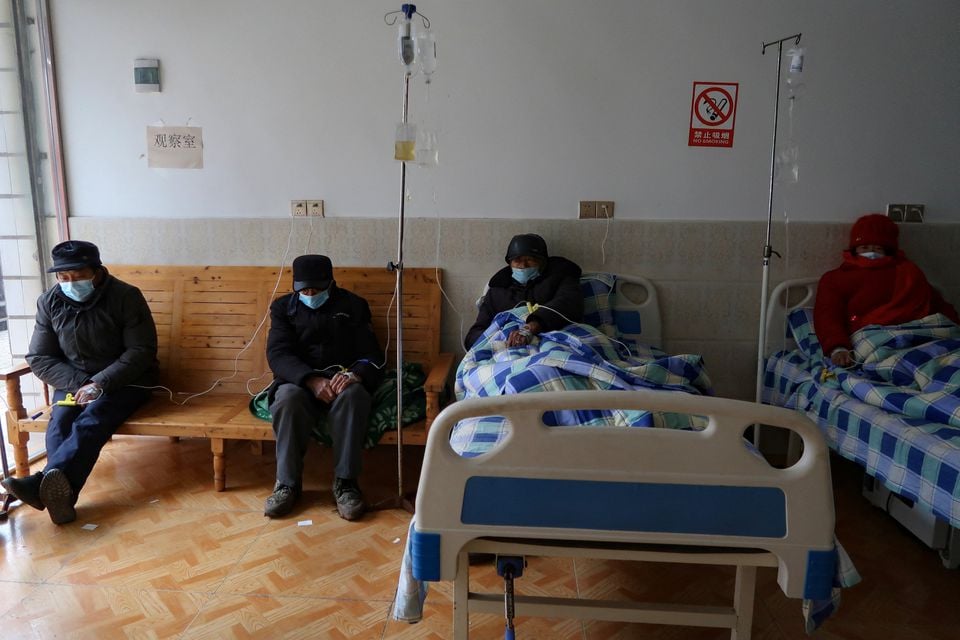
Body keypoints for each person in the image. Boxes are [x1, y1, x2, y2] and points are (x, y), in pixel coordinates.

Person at [1, 240, 158, 525]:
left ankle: (40, 485)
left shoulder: (126, 296)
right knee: (60, 421)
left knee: (94, 417)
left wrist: (99, 383)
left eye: (78, 275)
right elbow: (40, 356)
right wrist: (80, 383)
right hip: (73, 382)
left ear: (96, 272)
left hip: (126, 380)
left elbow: (141, 351)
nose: (70, 282)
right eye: (63, 277)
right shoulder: (49, 302)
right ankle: (60, 496)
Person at [264, 254, 383, 521]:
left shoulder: (353, 306)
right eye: (303, 290)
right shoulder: (283, 308)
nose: (309, 294)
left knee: (355, 397)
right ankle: (287, 484)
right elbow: (278, 354)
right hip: (300, 380)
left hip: (342, 379)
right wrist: (310, 380)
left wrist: (356, 375)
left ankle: (346, 483)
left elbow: (372, 355)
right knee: (286, 400)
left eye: (315, 290)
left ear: (331, 283)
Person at [814, 213, 959, 367]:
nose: (871, 253)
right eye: (864, 247)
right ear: (855, 249)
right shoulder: (835, 279)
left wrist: (955, 325)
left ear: (889, 251)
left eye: (878, 248)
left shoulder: (909, 272)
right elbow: (827, 316)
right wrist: (838, 347)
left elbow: (936, 304)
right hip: (873, 338)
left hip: (920, 335)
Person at [465, 233, 584, 350]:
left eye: (530, 260)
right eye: (517, 260)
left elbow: (568, 303)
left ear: (543, 262)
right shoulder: (497, 292)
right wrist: (500, 340)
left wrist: (532, 326)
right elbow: (475, 334)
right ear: (510, 264)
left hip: (554, 344)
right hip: (507, 349)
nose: (523, 265)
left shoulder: (561, 278)